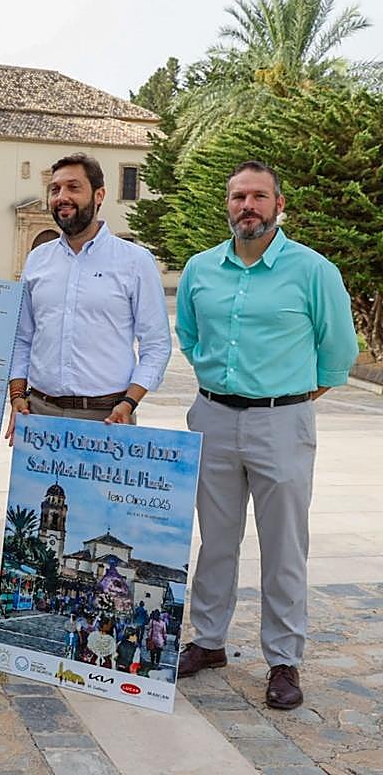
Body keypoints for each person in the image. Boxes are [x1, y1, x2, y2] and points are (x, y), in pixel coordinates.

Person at [175, 160, 357, 710]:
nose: (246, 206)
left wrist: (288, 399)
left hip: (282, 420)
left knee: (283, 545)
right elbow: (188, 334)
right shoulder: (200, 269)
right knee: (216, 540)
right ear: (227, 205)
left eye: (258, 196)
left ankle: (284, 660)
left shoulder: (313, 270)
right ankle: (208, 643)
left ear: (279, 204)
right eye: (237, 197)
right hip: (212, 416)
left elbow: (338, 353)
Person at [6, 153, 170, 440]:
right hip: (40, 415)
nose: (61, 197)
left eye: (73, 187)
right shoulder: (38, 259)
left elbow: (155, 345)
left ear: (99, 195)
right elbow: (22, 337)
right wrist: (17, 396)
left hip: (108, 418)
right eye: (55, 189)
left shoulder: (135, 261)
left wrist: (129, 403)